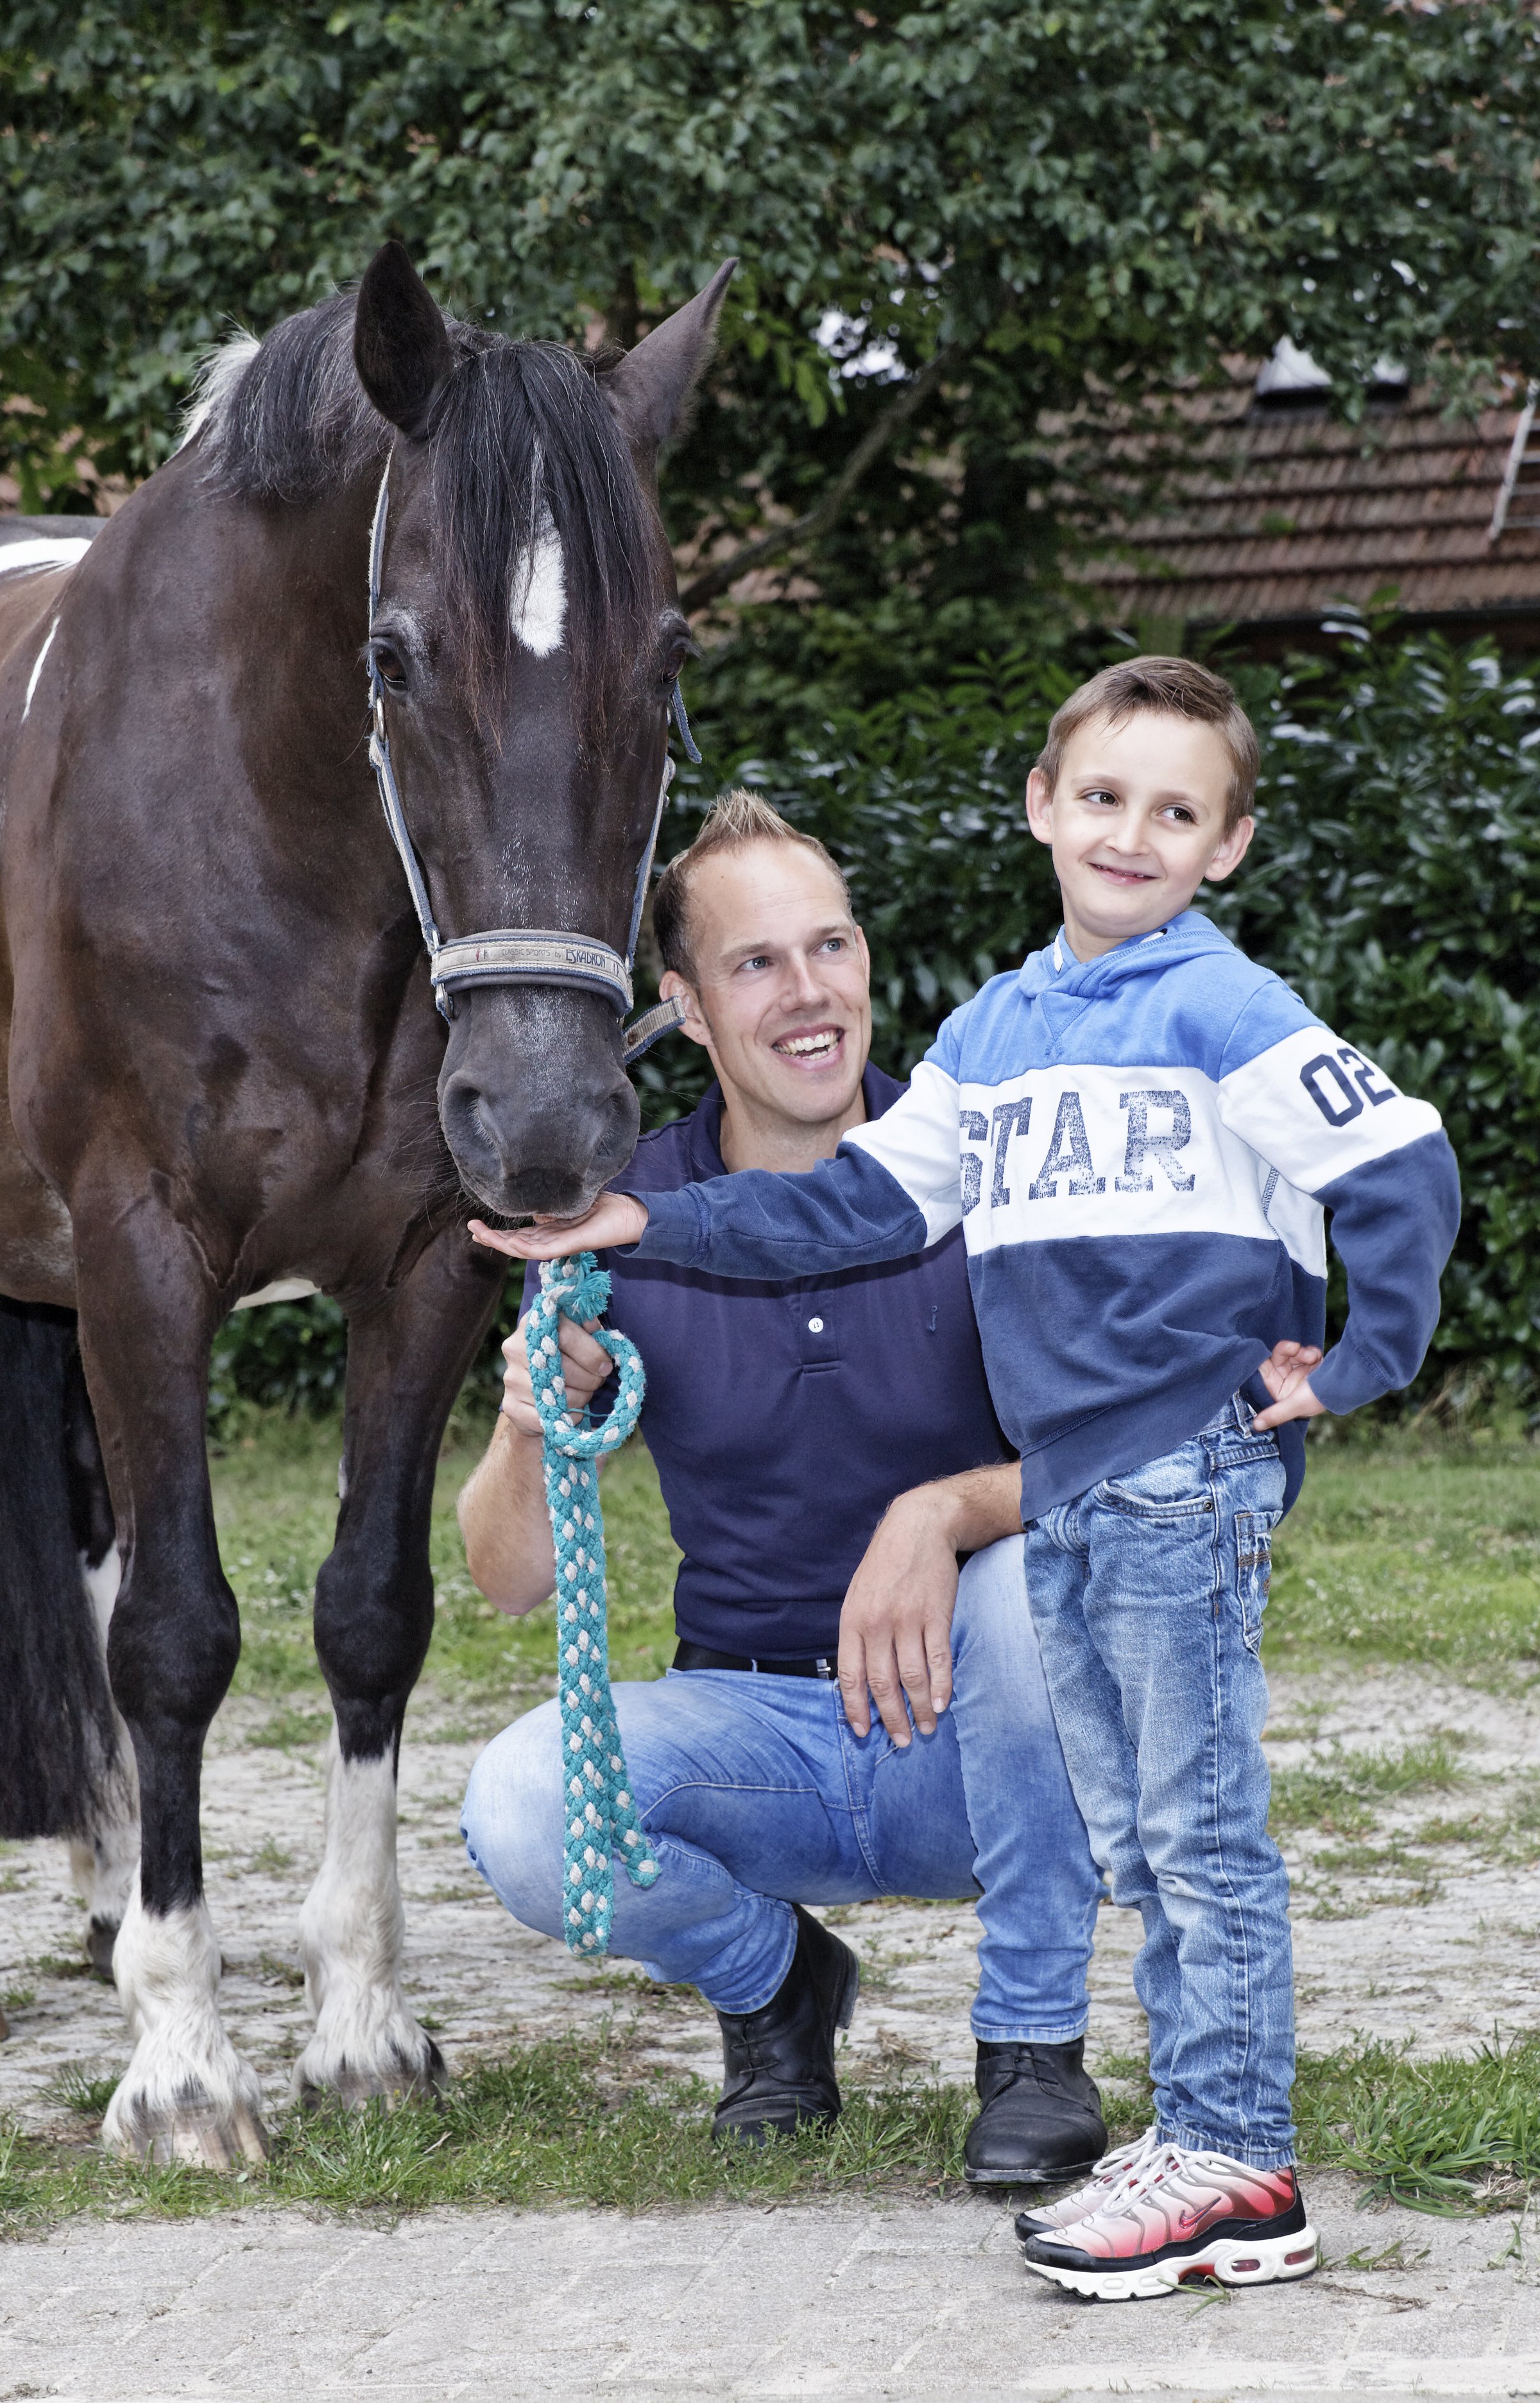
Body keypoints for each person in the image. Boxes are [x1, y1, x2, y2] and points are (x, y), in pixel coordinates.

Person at [472, 659, 1462, 2302]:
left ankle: (1208, 2144)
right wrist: (636, 1235)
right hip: (950, 1589)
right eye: (1101, 797)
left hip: (1159, 1496)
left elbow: (1398, 1160)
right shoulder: (997, 1048)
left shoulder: (1218, 1005)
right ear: (1041, 810)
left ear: (1225, 845)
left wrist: (1365, 1359)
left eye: (1174, 809)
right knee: (1162, 1840)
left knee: (1192, 1832)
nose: (1131, 834)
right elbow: (854, 1209)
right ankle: (1157, 2118)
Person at [453, 793, 1111, 2186]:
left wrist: (941, 1515)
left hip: (988, 1741)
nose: (810, 995)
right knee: (520, 1809)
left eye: (832, 947)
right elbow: (509, 1581)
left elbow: (1124, 1463)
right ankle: (777, 1990)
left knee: (1022, 1591)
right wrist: (528, 1424)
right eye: (757, 964)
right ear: (687, 1008)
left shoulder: (987, 1163)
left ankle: (1033, 2049)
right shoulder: (630, 1213)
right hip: (760, 1737)